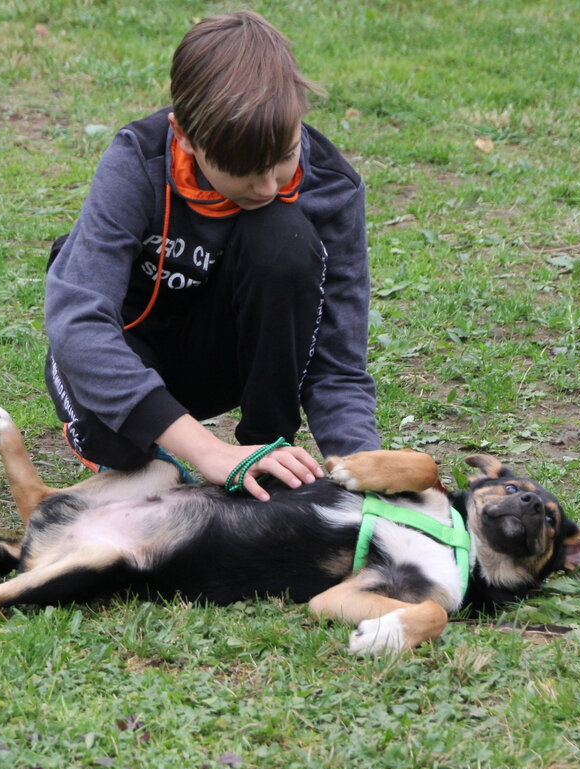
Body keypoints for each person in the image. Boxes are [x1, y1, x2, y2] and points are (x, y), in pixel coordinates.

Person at [43, 10, 379, 501]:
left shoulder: (332, 189)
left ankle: (266, 456)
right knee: (124, 450)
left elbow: (337, 364)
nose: (269, 185)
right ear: (185, 136)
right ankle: (158, 447)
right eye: (243, 170)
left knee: (284, 237)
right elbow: (78, 322)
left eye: (284, 156)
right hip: (127, 349)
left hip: (221, 362)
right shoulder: (139, 159)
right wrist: (205, 451)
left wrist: (364, 472)